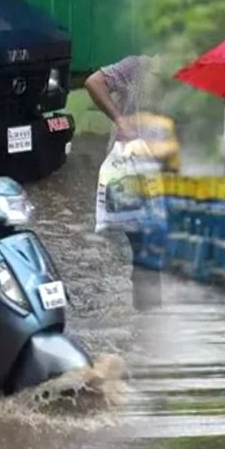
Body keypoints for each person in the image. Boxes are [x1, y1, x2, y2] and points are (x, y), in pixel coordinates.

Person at [85, 54, 164, 310]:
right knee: (145, 247)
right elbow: (94, 82)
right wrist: (120, 119)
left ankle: (149, 318)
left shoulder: (190, 77)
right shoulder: (136, 67)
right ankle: (148, 319)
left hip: (167, 175)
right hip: (133, 172)